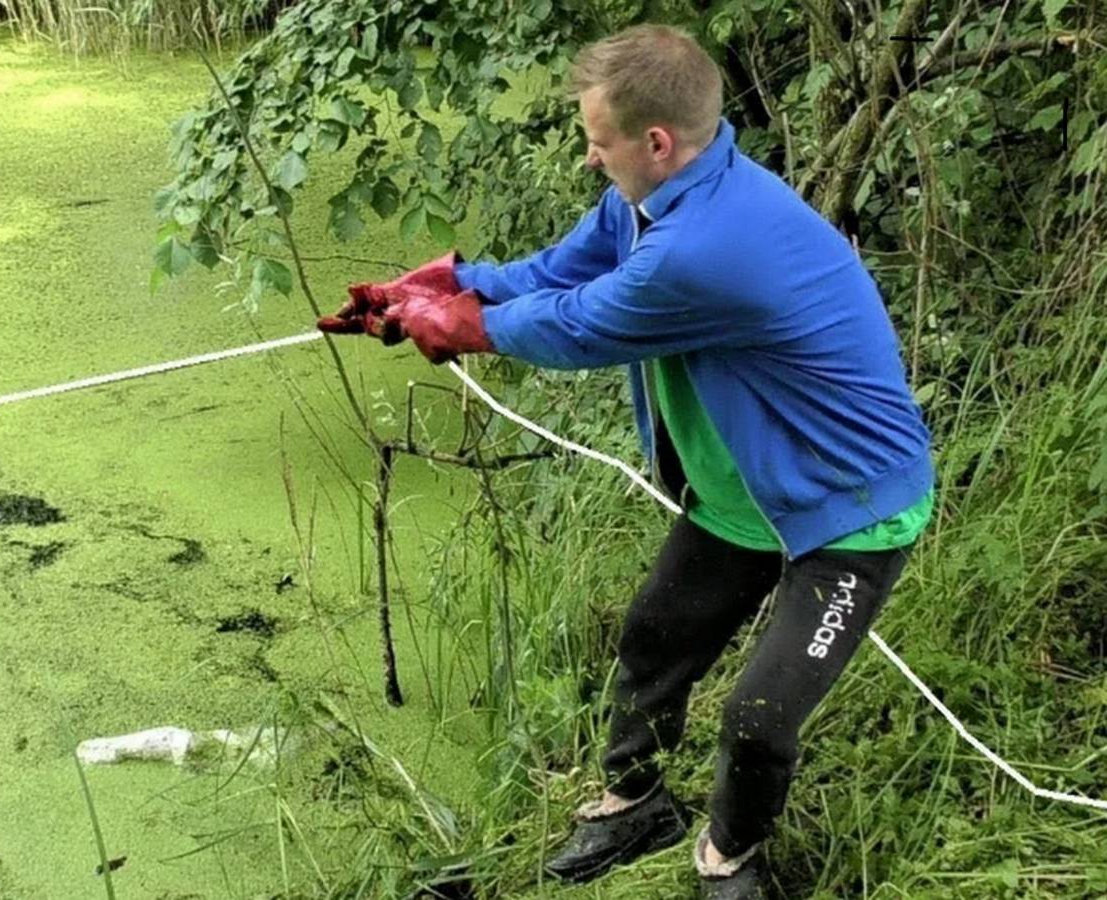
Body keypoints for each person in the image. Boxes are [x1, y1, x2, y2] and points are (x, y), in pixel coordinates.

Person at [317, 23, 935, 900]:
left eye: (597, 141)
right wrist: (443, 286)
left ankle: (731, 857)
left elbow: (580, 324)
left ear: (656, 142)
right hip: (743, 491)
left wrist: (455, 325)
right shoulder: (647, 200)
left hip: (851, 506)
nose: (588, 157)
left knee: (758, 718)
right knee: (652, 642)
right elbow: (555, 273)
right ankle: (636, 805)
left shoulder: (709, 246)